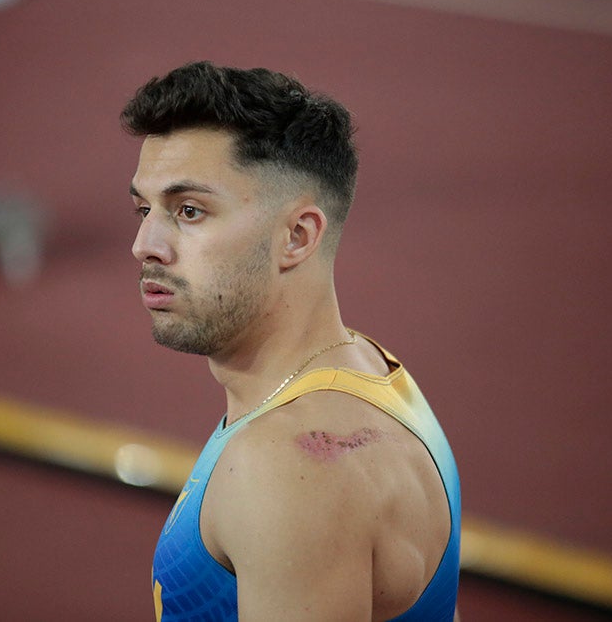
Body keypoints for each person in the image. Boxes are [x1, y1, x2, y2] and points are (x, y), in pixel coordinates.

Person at [122, 61, 461, 622]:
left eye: (188, 211)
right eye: (143, 209)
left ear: (297, 237)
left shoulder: (289, 469)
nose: (145, 244)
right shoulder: (369, 367)